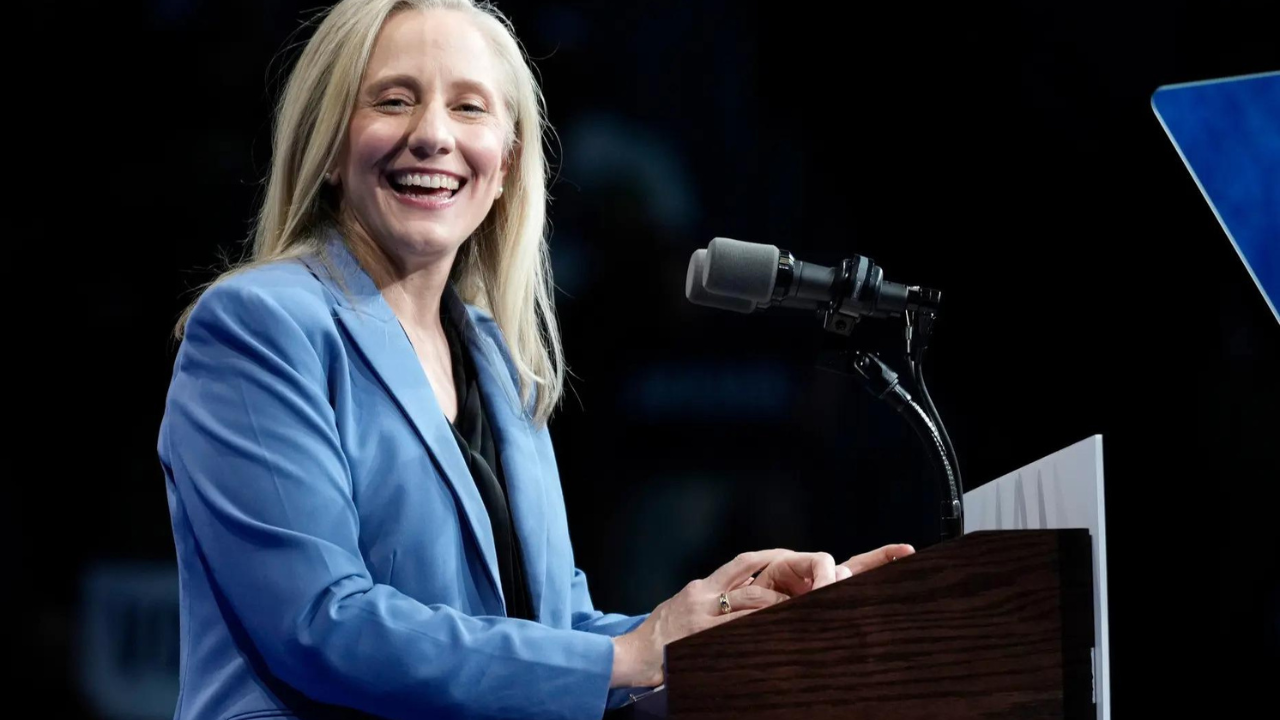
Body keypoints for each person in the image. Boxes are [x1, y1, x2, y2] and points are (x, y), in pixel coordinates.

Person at [157, 1, 914, 718]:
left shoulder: (497, 358)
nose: (433, 134)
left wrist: (742, 626)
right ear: (328, 147)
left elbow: (552, 633)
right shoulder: (261, 325)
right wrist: (633, 652)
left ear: (507, 164)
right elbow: (321, 622)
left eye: (468, 107)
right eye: (392, 100)